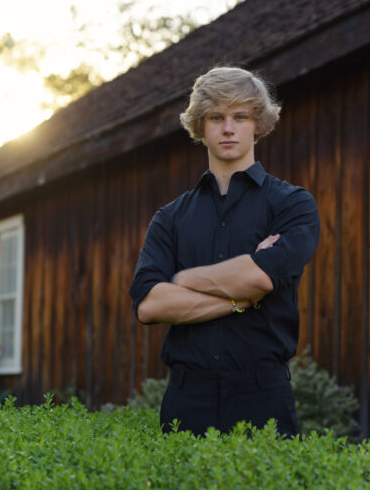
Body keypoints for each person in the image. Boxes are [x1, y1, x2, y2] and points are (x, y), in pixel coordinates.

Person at [129, 66, 320, 437]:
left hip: (263, 394)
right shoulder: (170, 218)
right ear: (201, 126)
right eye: (216, 117)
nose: (228, 128)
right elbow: (150, 305)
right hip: (187, 396)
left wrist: (181, 279)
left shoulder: (291, 204)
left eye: (240, 116)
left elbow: (260, 276)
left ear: (258, 124)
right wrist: (240, 300)